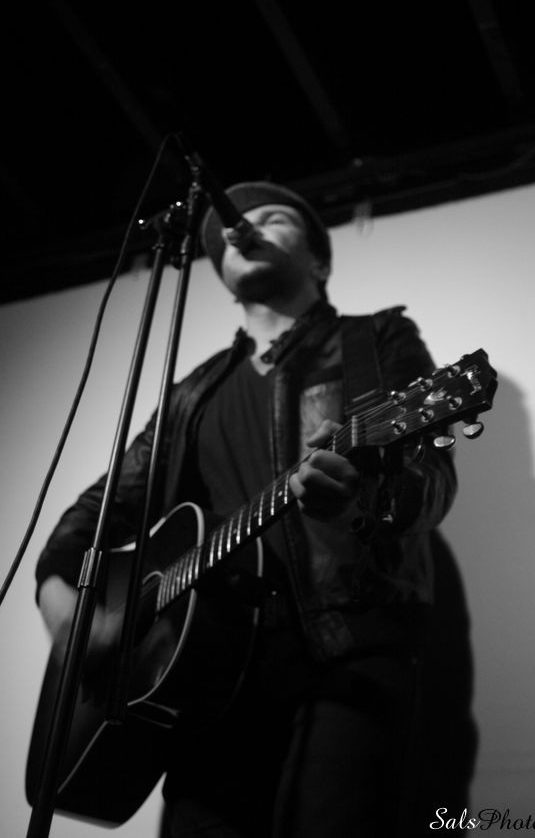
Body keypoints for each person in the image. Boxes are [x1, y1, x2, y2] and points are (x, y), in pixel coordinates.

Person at [35, 181, 470, 837]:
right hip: (204, 684)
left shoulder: (372, 340)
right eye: (228, 232)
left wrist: (361, 500)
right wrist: (68, 616)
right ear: (223, 278)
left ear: (318, 261)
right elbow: (86, 524)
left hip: (343, 660)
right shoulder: (191, 394)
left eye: (274, 218)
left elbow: (430, 479)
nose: (243, 226)